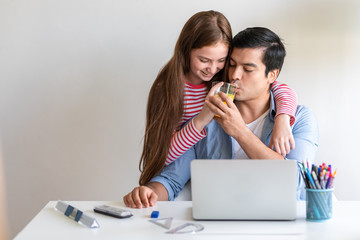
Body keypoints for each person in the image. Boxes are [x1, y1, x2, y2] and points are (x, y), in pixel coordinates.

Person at [124, 27, 318, 208]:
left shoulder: (299, 118)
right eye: (232, 65)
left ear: (272, 75)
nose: (235, 75)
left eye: (248, 69)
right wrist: (148, 192)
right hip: (215, 221)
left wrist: (240, 131)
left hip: (276, 219)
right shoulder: (209, 115)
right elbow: (172, 179)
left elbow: (297, 185)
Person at [139, 10, 298, 187]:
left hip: (210, 179)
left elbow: (279, 88)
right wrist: (202, 118)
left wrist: (282, 119)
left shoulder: (225, 79)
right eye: (204, 60)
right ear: (186, 51)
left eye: (222, 60)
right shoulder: (169, 89)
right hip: (176, 172)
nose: (212, 69)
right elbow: (164, 155)